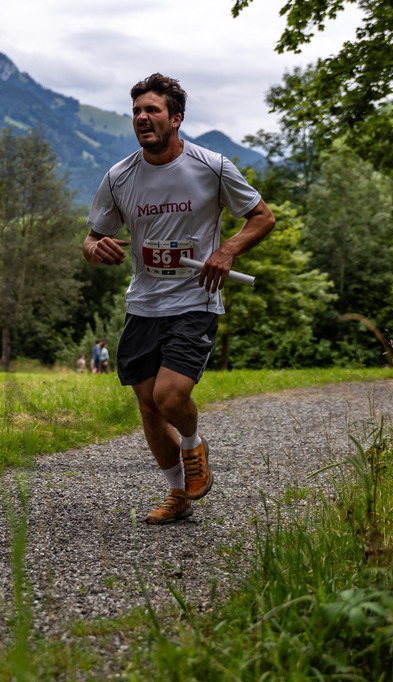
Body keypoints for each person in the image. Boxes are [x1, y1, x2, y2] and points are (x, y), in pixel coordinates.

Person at [83, 73, 275, 525]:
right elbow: (92, 240)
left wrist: (227, 250)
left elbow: (262, 218)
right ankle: (178, 494)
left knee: (171, 397)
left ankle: (192, 445)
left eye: (152, 110)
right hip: (143, 304)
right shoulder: (119, 177)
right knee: (148, 405)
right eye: (136, 112)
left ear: (176, 118)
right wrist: (98, 249)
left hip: (195, 300)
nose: (142, 118)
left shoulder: (212, 166)